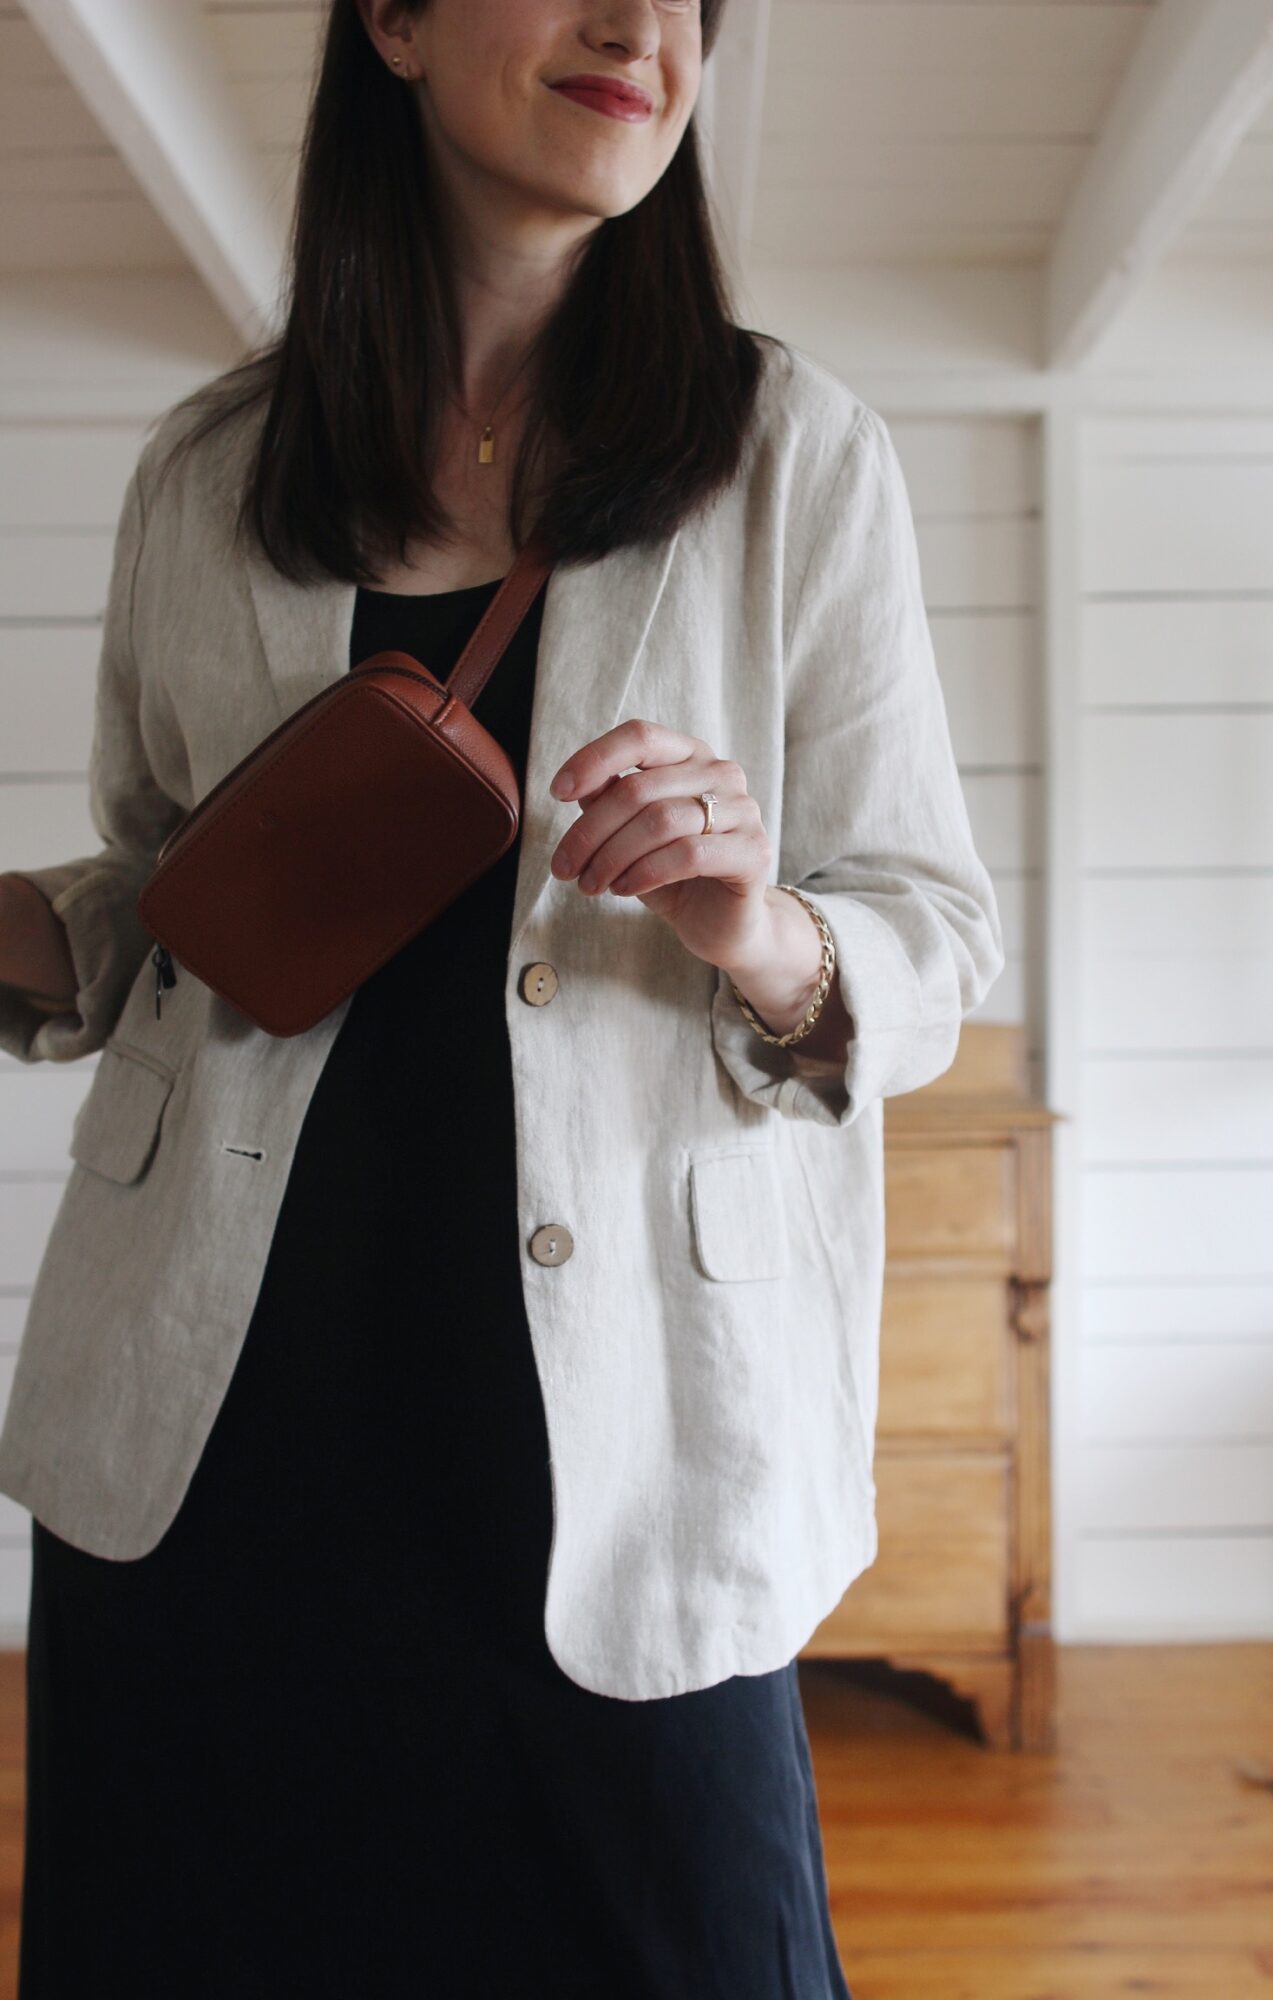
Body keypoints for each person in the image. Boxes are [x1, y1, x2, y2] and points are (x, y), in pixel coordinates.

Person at [0, 0, 1005, 1992]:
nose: (646, 25)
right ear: (393, 15)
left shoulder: (792, 454)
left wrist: (754, 918)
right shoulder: (208, 471)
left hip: (630, 1453)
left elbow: (927, 934)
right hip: (210, 1433)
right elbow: (162, 903)